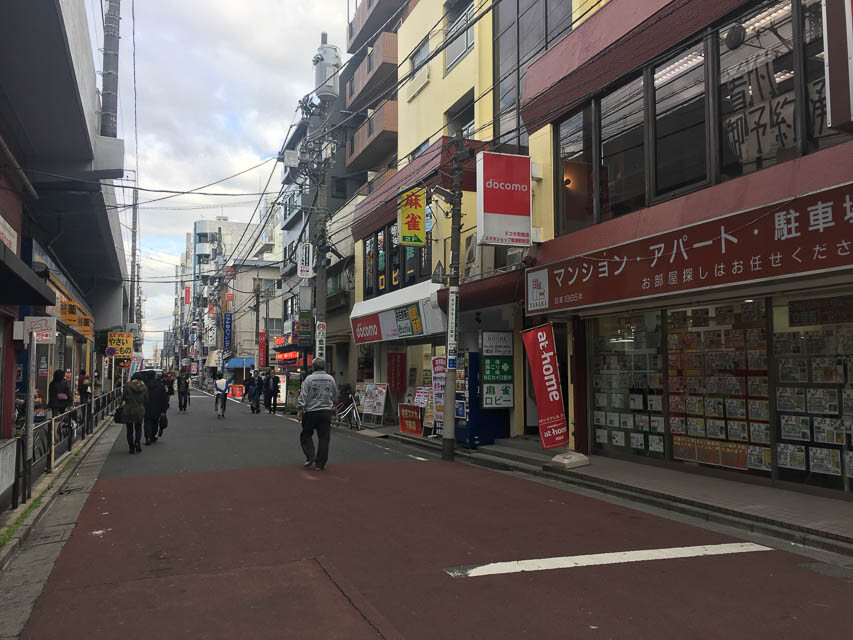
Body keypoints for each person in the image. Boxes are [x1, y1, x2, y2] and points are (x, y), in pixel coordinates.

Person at [297, 358, 338, 471]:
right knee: (324, 437)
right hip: (326, 411)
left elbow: (303, 395)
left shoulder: (309, 379)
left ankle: (311, 455)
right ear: (324, 367)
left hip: (311, 411)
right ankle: (320, 464)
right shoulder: (330, 379)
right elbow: (335, 394)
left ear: (313, 367)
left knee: (306, 434)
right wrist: (333, 406)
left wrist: (300, 409)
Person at [121, 372, 148, 454]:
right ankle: (137, 442)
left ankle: (131, 447)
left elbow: (123, 398)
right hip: (139, 409)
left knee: (129, 430)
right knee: (138, 428)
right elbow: (146, 400)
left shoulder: (127, 386)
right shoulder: (144, 388)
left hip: (128, 409)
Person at [143, 370, 168, 444]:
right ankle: (152, 437)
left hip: (146, 406)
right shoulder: (160, 385)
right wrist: (164, 409)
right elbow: (164, 398)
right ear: (154, 376)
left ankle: (147, 437)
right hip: (157, 407)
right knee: (155, 422)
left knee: (147, 422)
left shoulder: (144, 385)